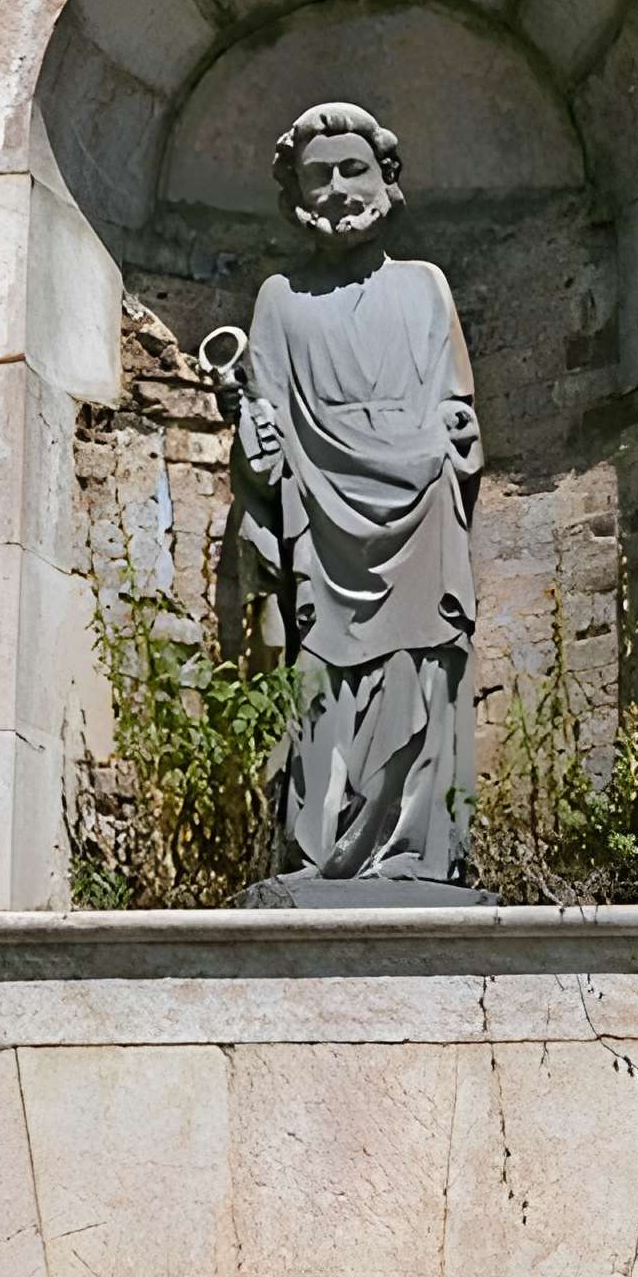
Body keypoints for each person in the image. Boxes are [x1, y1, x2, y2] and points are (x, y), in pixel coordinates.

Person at [224, 101, 481, 883]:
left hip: (419, 513)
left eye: (352, 169)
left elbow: (456, 407)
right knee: (321, 680)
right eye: (319, 175)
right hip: (323, 516)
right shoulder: (280, 300)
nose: (337, 188)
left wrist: (459, 439)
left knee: (423, 671)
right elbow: (262, 430)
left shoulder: (426, 287)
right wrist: (256, 450)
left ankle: (413, 853)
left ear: (386, 179)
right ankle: (321, 848)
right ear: (296, 193)